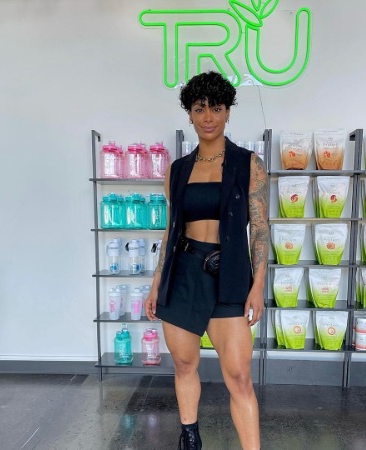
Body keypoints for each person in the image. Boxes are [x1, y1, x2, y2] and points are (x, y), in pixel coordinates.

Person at [144, 70, 268, 450]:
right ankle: (190, 438)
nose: (208, 117)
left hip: (229, 274)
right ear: (190, 114)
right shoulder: (178, 170)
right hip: (183, 274)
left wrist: (258, 285)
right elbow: (171, 230)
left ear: (228, 112)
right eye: (200, 109)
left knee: (239, 376)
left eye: (216, 108)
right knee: (184, 364)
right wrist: (156, 284)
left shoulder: (249, 164)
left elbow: (260, 228)